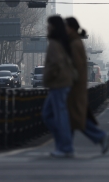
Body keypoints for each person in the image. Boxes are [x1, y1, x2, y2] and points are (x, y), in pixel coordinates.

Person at [65, 17, 109, 154]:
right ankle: (66, 146)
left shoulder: (74, 44)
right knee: (74, 118)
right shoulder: (74, 42)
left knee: (74, 118)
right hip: (74, 87)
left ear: (72, 28)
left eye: (66, 27)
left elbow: (77, 68)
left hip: (73, 88)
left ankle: (66, 146)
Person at [42, 15, 75, 158]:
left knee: (59, 116)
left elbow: (56, 64)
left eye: (48, 25)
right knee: (49, 114)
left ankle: (65, 147)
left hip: (58, 84)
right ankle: (62, 144)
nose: (47, 28)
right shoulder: (61, 41)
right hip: (62, 83)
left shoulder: (54, 43)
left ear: (54, 27)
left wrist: (48, 78)